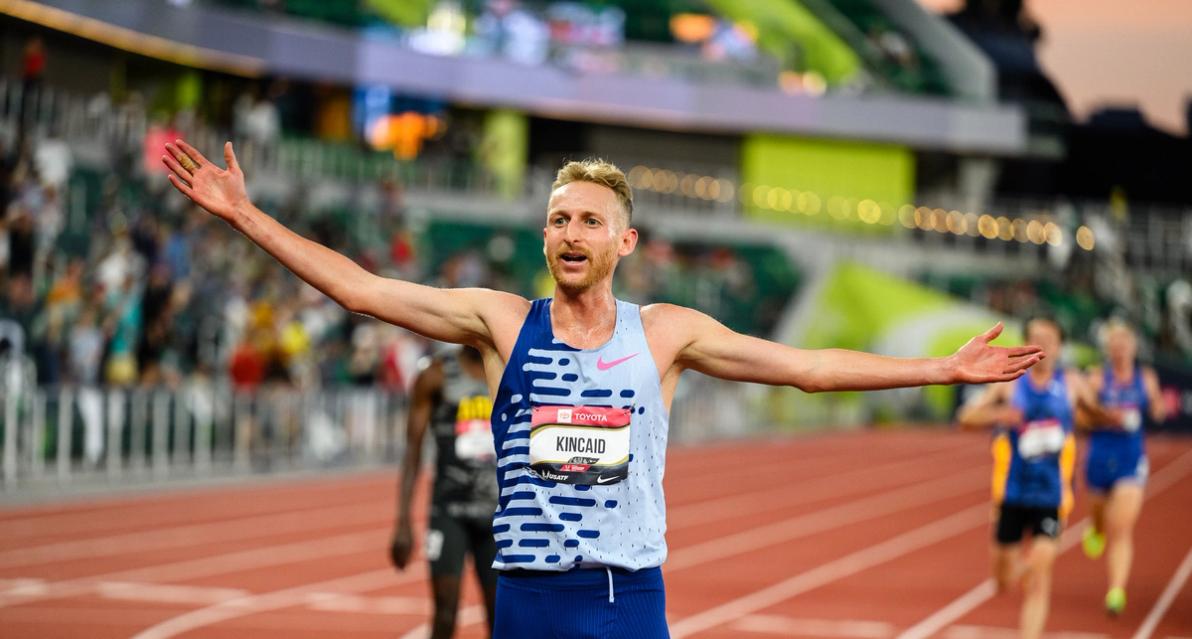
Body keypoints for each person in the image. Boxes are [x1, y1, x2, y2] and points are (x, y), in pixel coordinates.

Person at [162, 140, 1042, 638]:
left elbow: (808, 367)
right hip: (528, 596)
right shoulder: (502, 322)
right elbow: (363, 289)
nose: (569, 231)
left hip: (626, 598)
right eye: (557, 218)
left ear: (625, 241)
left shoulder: (663, 334)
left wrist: (944, 368)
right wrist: (246, 214)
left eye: (588, 219)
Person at [958, 316, 1119, 639]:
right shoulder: (1010, 383)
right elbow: (966, 418)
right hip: (1013, 490)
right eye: (1036, 337)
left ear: (1060, 345)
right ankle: (1015, 572)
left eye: (1049, 337)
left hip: (1052, 493)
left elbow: (1096, 414)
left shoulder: (1072, 383)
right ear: (1026, 343)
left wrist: (1108, 417)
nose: (1043, 343)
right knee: (1002, 581)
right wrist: (1000, 415)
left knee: (1041, 570)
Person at [390, 345, 499, 638]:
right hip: (449, 510)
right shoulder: (435, 374)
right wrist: (403, 523)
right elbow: (412, 450)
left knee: (499, 615)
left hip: (499, 515)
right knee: (445, 610)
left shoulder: (508, 369)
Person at [1080, 320, 1166, 616]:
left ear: (1133, 346)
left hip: (1131, 458)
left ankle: (1116, 590)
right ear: (1107, 348)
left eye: (1124, 342)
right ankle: (1096, 528)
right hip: (1099, 457)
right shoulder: (1096, 378)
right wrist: (1107, 418)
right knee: (1102, 519)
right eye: (1114, 343)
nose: (1119, 348)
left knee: (1122, 527)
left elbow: (1156, 406)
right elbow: (1082, 420)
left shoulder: (1146, 377)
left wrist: (1157, 409)